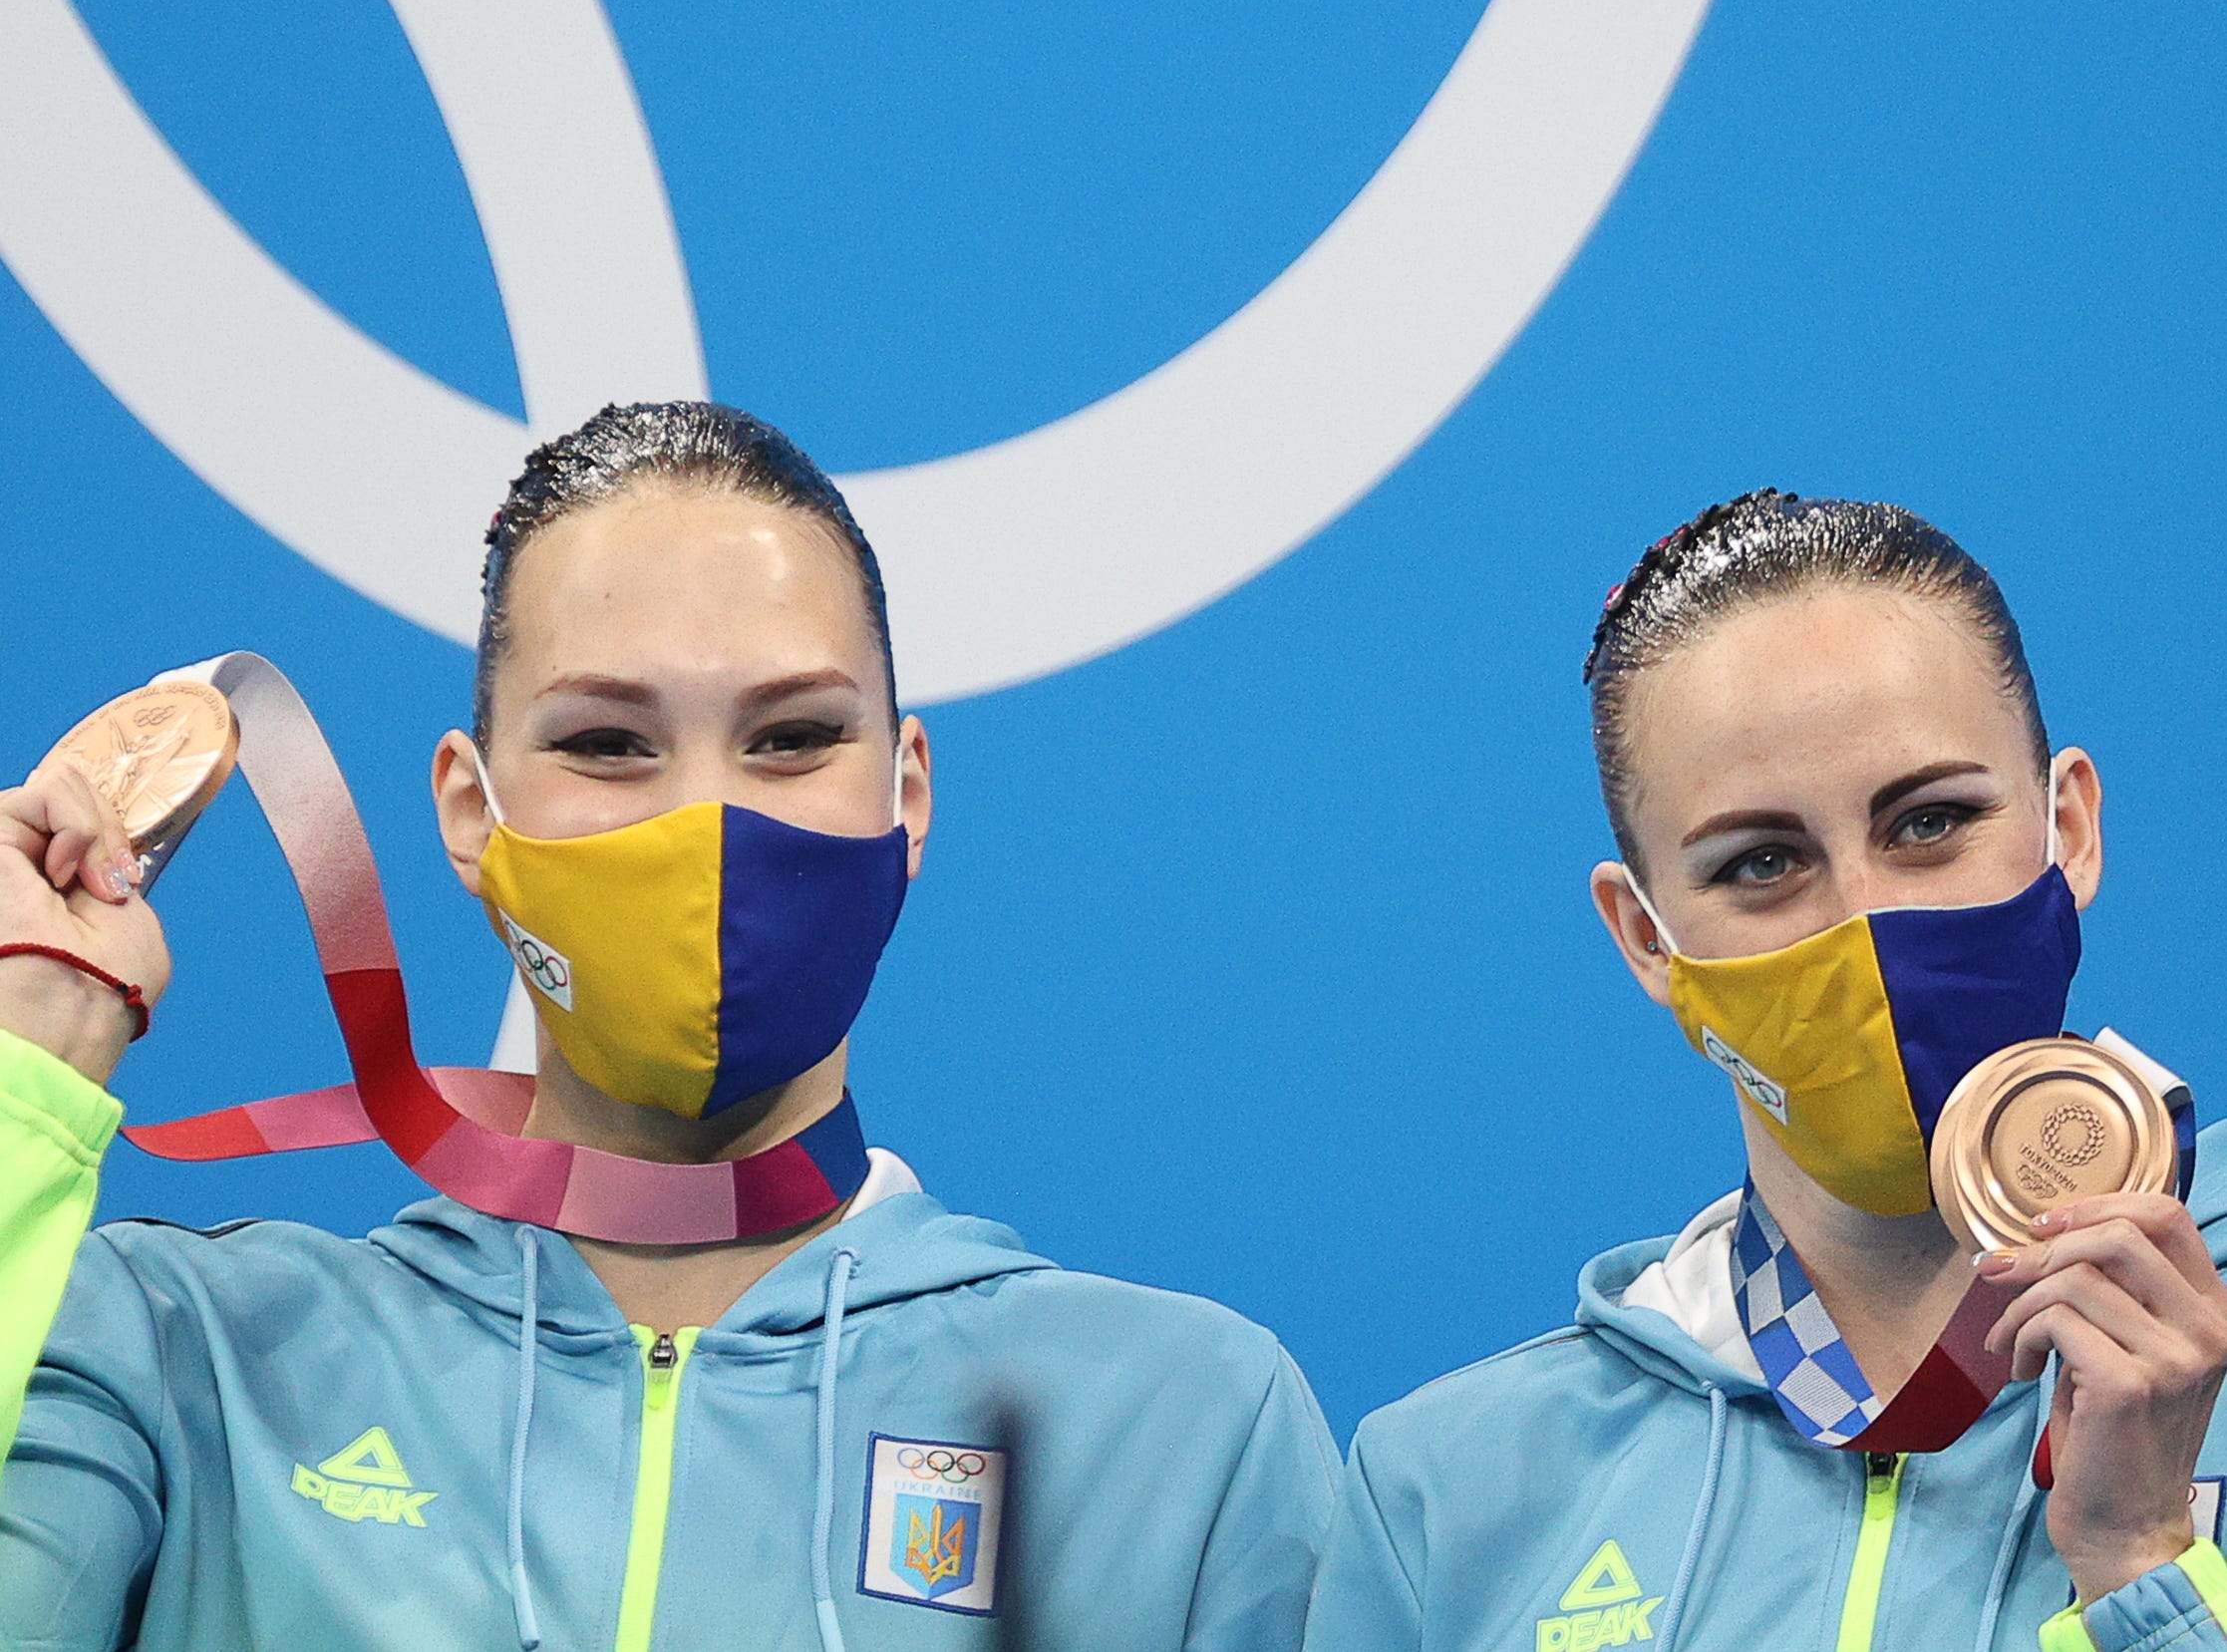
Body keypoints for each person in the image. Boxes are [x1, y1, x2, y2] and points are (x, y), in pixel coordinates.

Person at [0, 402, 1338, 1650]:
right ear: (472, 815)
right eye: (606, 744)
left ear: (907, 794)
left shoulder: (1176, 1424)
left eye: (793, 736)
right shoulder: (184, 1360)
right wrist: (19, 1087)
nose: (704, 827)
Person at [1302, 491, 2227, 1652]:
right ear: (1646, 938)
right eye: (1762, 860)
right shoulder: (1451, 1494)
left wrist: (2141, 1559)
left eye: (1929, 821)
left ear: (2068, 826)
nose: (1866, 919)